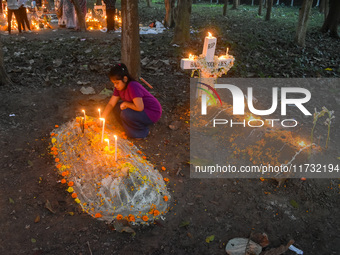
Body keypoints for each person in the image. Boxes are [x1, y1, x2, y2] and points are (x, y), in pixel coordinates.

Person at [102, 63, 162, 139]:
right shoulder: (119, 88)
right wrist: (102, 117)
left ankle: (142, 132)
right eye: (114, 83)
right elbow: (111, 104)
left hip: (151, 112)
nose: (115, 86)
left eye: (117, 83)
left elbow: (139, 107)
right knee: (117, 108)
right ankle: (131, 127)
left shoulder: (133, 86)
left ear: (125, 79)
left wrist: (126, 104)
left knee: (125, 113)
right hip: (140, 110)